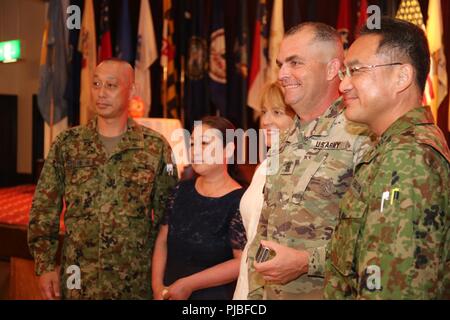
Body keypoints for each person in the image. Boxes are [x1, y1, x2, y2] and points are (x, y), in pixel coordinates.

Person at [28, 58, 178, 299]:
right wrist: (45, 265)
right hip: (78, 277)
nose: (101, 93)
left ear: (132, 90)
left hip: (133, 280)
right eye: (96, 84)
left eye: (111, 85)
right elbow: (44, 209)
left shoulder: (156, 148)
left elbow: (167, 218)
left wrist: (161, 278)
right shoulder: (67, 144)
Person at [324, 17, 450, 299]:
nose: (343, 85)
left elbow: (389, 287)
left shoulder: (407, 159)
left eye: (355, 70)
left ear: (401, 78)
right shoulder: (393, 147)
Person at [246, 22, 373, 300]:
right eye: (280, 64)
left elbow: (376, 239)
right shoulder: (287, 137)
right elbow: (263, 232)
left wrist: (306, 262)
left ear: (331, 70)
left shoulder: (362, 135)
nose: (282, 74)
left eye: (295, 63)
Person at [152, 116, 247, 300]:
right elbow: (162, 241)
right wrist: (157, 288)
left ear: (228, 150)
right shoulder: (180, 189)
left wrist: (189, 284)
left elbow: (241, 262)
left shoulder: (240, 201)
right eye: (193, 143)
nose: (195, 151)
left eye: (204, 143)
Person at [233, 82, 295, 299]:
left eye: (277, 112)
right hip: (250, 279)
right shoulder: (266, 163)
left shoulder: (297, 165)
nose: (266, 121)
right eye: (263, 112)